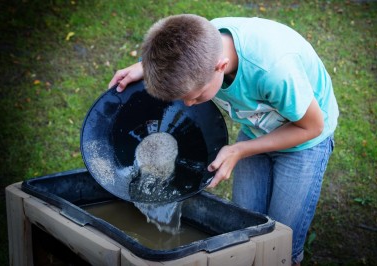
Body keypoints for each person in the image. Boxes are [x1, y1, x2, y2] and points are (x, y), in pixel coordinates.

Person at [108, 14, 338, 265]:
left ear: (220, 66)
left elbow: (313, 126)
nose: (189, 104)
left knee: (280, 241)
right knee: (244, 229)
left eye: (196, 97)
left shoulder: (274, 70)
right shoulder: (202, 40)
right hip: (256, 130)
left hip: (304, 139)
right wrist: (146, 66)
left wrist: (240, 150)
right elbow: (172, 52)